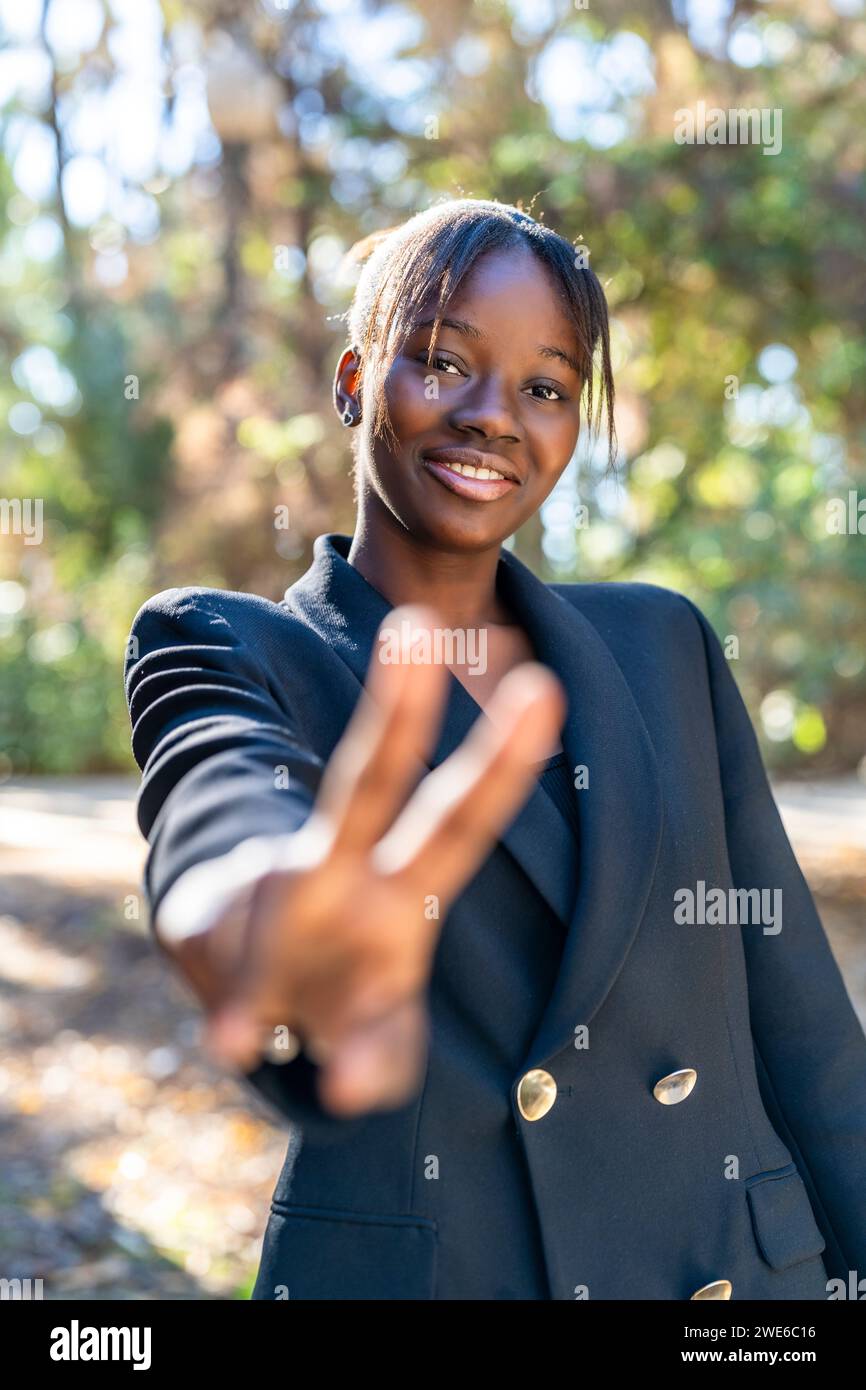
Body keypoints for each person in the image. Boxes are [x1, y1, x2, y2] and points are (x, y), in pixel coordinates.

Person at [124, 197, 866, 1301]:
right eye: (442, 362)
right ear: (352, 383)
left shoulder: (661, 644)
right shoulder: (230, 642)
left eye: (545, 388)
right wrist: (248, 901)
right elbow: (215, 779)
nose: (492, 417)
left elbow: (803, 1026)